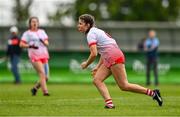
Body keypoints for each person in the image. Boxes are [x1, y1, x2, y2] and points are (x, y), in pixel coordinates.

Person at [77, 14, 163, 109]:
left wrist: (86, 64)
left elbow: (94, 54)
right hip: (111, 55)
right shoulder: (95, 31)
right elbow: (103, 52)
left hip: (113, 55)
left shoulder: (90, 34)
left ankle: (153, 93)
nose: (78, 25)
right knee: (97, 80)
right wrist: (97, 67)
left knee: (124, 85)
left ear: (88, 25)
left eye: (81, 23)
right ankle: (109, 104)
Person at [19, 17, 50, 96]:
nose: (34, 23)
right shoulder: (27, 33)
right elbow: (21, 44)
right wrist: (30, 46)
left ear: (38, 23)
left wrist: (43, 41)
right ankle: (45, 92)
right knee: (42, 73)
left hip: (44, 55)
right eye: (33, 22)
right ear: (30, 23)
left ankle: (35, 88)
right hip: (34, 55)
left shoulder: (42, 32)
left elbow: (47, 43)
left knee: (46, 78)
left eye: (36, 21)